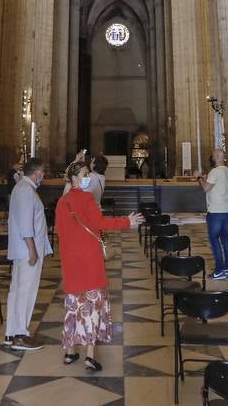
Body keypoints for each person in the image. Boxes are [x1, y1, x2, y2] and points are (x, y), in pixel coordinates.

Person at [55, 159, 143, 371]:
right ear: (75, 178)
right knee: (92, 307)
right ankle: (90, 356)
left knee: (74, 307)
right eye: (85, 174)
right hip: (90, 261)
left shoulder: (61, 202)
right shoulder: (86, 199)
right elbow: (101, 223)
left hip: (71, 261)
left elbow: (59, 231)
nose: (88, 178)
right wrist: (127, 222)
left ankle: (70, 352)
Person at [5, 157, 52, 351]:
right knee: (25, 292)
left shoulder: (23, 188)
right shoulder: (25, 190)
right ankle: (20, 336)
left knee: (17, 291)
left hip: (23, 250)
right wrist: (32, 250)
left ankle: (12, 333)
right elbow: (26, 225)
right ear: (38, 172)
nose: (43, 176)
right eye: (42, 173)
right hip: (27, 251)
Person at [197, 148, 228, 279]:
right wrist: (207, 178)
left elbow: (206, 188)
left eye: (213, 156)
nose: (212, 158)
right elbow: (217, 185)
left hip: (215, 211)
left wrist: (199, 178)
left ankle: (219, 270)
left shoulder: (215, 171)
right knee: (225, 239)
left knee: (214, 240)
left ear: (218, 157)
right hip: (226, 210)